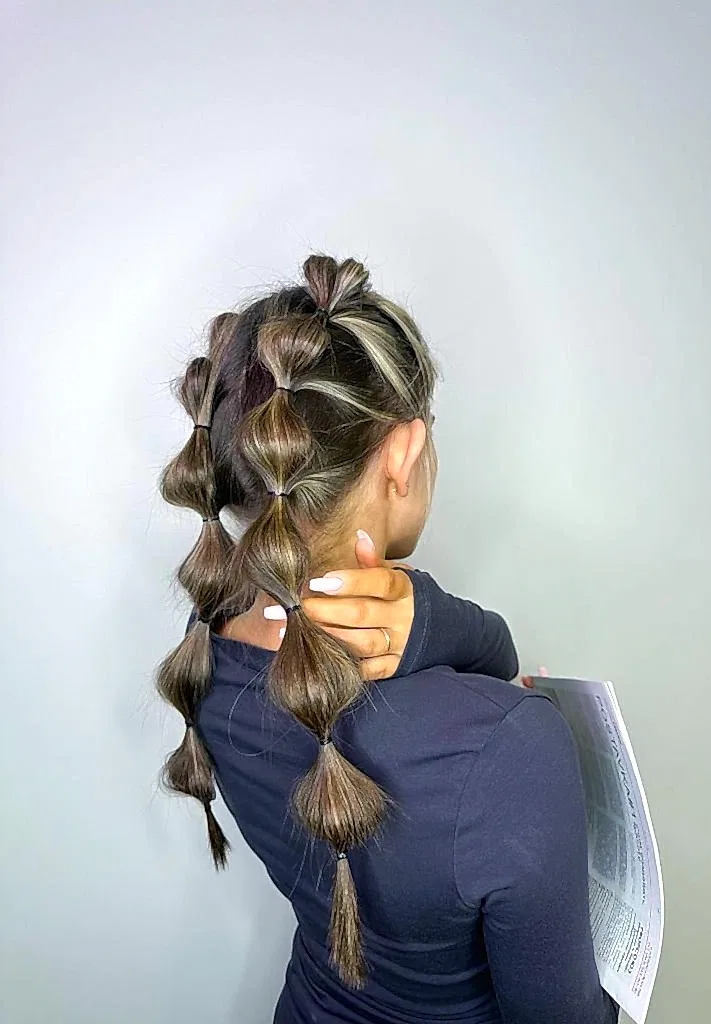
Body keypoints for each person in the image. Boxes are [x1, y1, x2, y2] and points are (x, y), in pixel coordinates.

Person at [157, 255, 618, 1023]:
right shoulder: (509, 746)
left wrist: (431, 618)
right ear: (404, 453)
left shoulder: (204, 644)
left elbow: (488, 660)